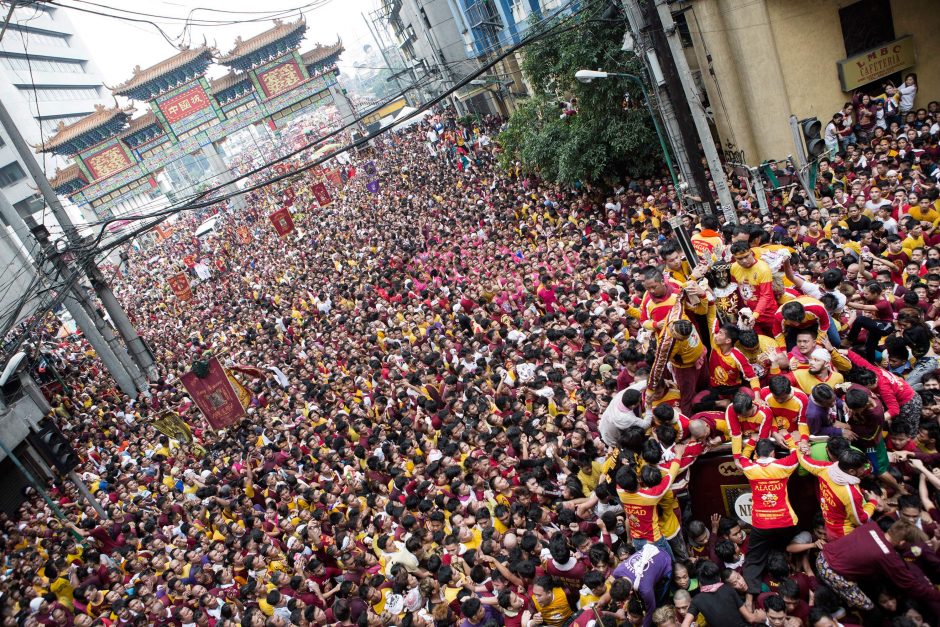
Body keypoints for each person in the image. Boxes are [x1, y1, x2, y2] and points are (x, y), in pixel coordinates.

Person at [815, 519, 940, 616]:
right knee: (870, 608)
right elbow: (911, 586)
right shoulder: (888, 556)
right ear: (902, 542)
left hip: (822, 556)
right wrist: (936, 595)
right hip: (830, 572)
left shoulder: (871, 527)